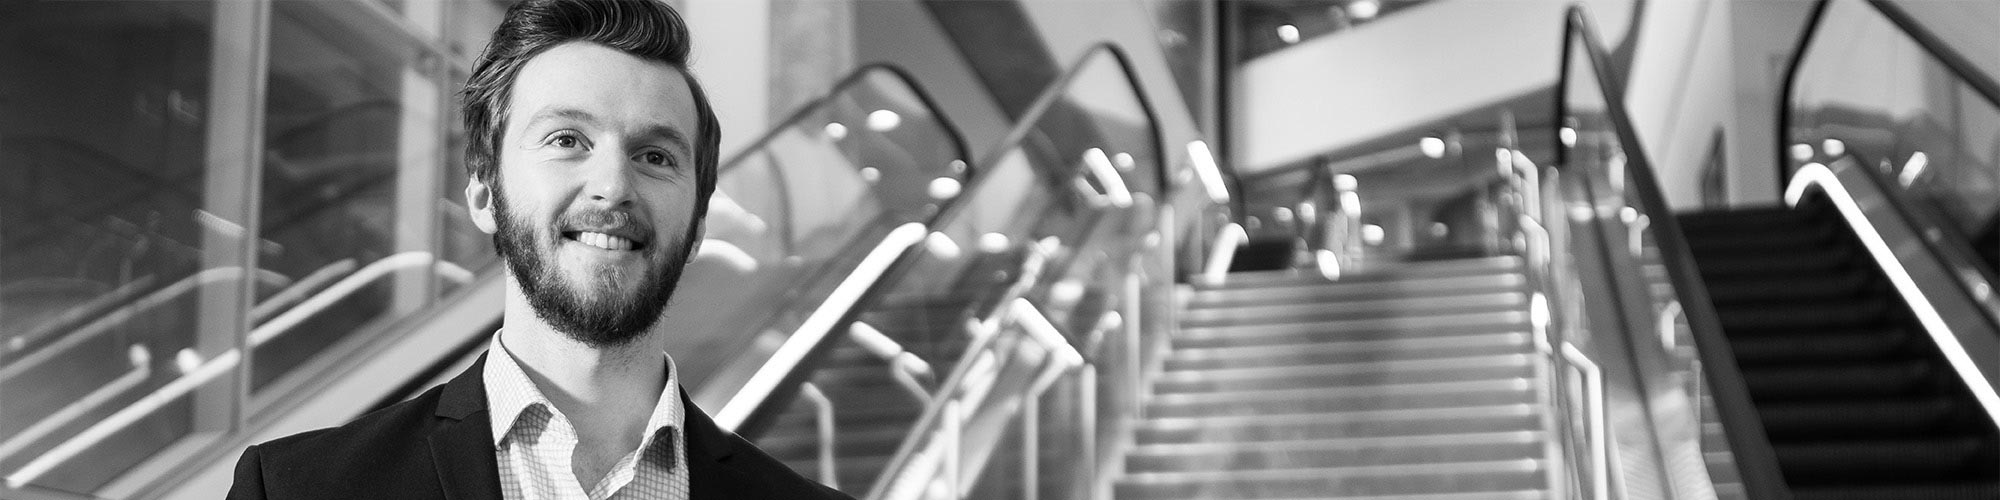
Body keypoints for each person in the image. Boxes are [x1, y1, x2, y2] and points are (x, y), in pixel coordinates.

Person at [226, 0, 849, 498]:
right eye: (566, 140)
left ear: (699, 224)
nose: (613, 186)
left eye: (656, 156)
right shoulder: (297, 489)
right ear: (484, 194)